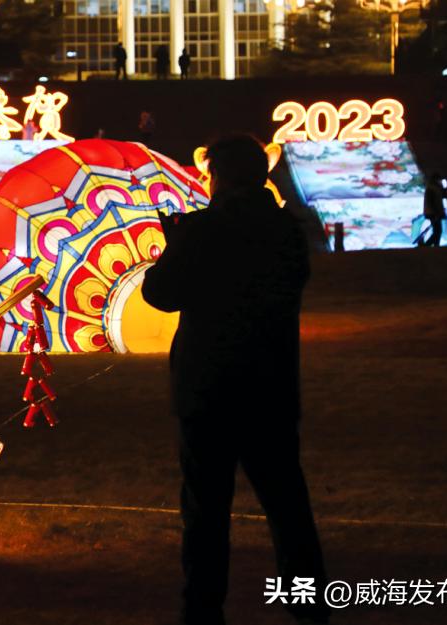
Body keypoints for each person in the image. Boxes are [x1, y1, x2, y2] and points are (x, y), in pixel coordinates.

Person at [143, 134, 330, 625]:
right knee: (288, 505)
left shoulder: (204, 229)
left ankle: (203, 610)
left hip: (208, 387)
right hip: (270, 383)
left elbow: (161, 293)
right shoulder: (286, 231)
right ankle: (308, 606)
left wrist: (177, 244)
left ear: (219, 177)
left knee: (205, 511)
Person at [422, 173, 446, 247]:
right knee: (437, 231)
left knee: (437, 230)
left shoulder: (433, 188)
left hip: (432, 212)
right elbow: (434, 202)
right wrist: (437, 213)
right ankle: (428, 245)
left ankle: (433, 245)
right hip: (434, 213)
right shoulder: (433, 189)